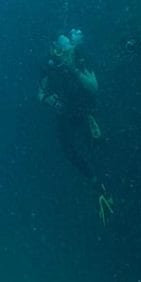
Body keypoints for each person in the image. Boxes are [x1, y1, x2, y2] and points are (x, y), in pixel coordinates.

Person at [37, 29, 114, 225]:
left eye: (66, 48)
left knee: (98, 146)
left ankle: (103, 187)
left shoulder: (81, 59)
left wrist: (73, 69)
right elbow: (40, 93)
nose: (61, 53)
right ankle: (96, 184)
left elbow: (94, 87)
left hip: (85, 111)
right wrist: (49, 100)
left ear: (72, 47)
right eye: (58, 49)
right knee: (69, 150)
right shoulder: (50, 65)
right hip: (65, 113)